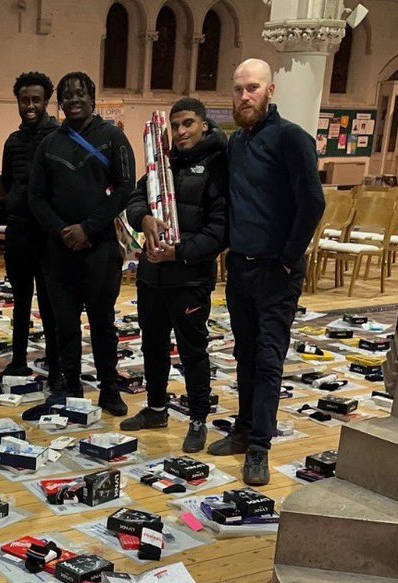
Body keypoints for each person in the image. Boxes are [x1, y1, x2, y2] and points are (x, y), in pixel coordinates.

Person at [210, 58, 325, 485]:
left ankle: (259, 445)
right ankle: (242, 431)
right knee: (243, 353)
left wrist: (289, 257)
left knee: (268, 358)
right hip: (240, 267)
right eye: (238, 89)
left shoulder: (292, 138)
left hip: (277, 271)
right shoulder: (237, 143)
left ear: (270, 91)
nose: (245, 96)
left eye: (253, 88)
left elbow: (312, 203)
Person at [121, 98, 227, 452]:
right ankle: (156, 409)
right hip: (152, 276)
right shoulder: (161, 163)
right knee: (152, 345)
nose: (181, 132)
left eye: (188, 124)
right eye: (176, 125)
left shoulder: (218, 165)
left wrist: (179, 252)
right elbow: (136, 198)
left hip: (190, 279)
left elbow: (219, 230)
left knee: (192, 350)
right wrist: (144, 219)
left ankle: (198, 419)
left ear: (204, 126)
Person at [28, 71, 136, 417]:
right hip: (59, 252)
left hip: (100, 249)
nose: (74, 100)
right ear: (60, 103)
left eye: (80, 94)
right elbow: (36, 197)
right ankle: (70, 385)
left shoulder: (112, 138)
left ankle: (108, 388)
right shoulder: (49, 144)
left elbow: (124, 189)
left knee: (103, 323)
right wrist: (62, 231)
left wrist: (88, 229)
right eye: (67, 95)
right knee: (64, 324)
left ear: (92, 97)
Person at [0, 71, 60, 388]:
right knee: (21, 301)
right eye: (25, 100)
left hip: (48, 236)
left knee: (50, 303)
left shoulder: (59, 137)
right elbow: (10, 181)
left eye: (36, 100)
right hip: (20, 232)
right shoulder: (13, 141)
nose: (30, 106)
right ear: (18, 102)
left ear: (46, 101)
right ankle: (19, 359)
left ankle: (55, 361)